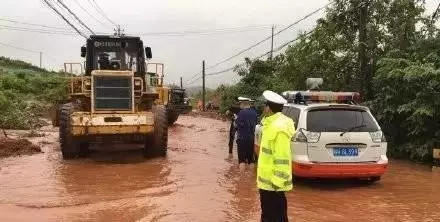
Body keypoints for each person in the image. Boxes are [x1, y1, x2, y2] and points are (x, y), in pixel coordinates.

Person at [257, 90, 295, 222]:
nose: (263, 108)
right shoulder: (270, 124)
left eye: (264, 105)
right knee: (268, 217)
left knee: (275, 218)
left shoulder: (279, 129)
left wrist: (277, 184)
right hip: (267, 186)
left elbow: (282, 158)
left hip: (273, 187)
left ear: (268, 107)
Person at [236, 97, 258, 167]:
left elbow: (237, 124)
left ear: (243, 104)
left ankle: (241, 177)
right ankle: (251, 176)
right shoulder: (254, 113)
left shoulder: (241, 113)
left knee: (242, 161)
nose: (240, 106)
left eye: (240, 104)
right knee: (251, 160)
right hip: (251, 139)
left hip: (242, 139)